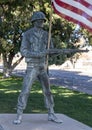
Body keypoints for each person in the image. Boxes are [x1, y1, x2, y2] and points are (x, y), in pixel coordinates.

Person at [13, 11, 62, 124]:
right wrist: (39, 54)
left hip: (42, 67)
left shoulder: (46, 34)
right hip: (32, 67)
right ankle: (19, 115)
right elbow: (24, 51)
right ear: (34, 21)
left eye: (43, 21)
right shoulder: (27, 34)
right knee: (25, 90)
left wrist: (57, 52)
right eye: (39, 20)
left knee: (48, 91)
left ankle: (51, 113)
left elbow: (50, 51)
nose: (42, 22)